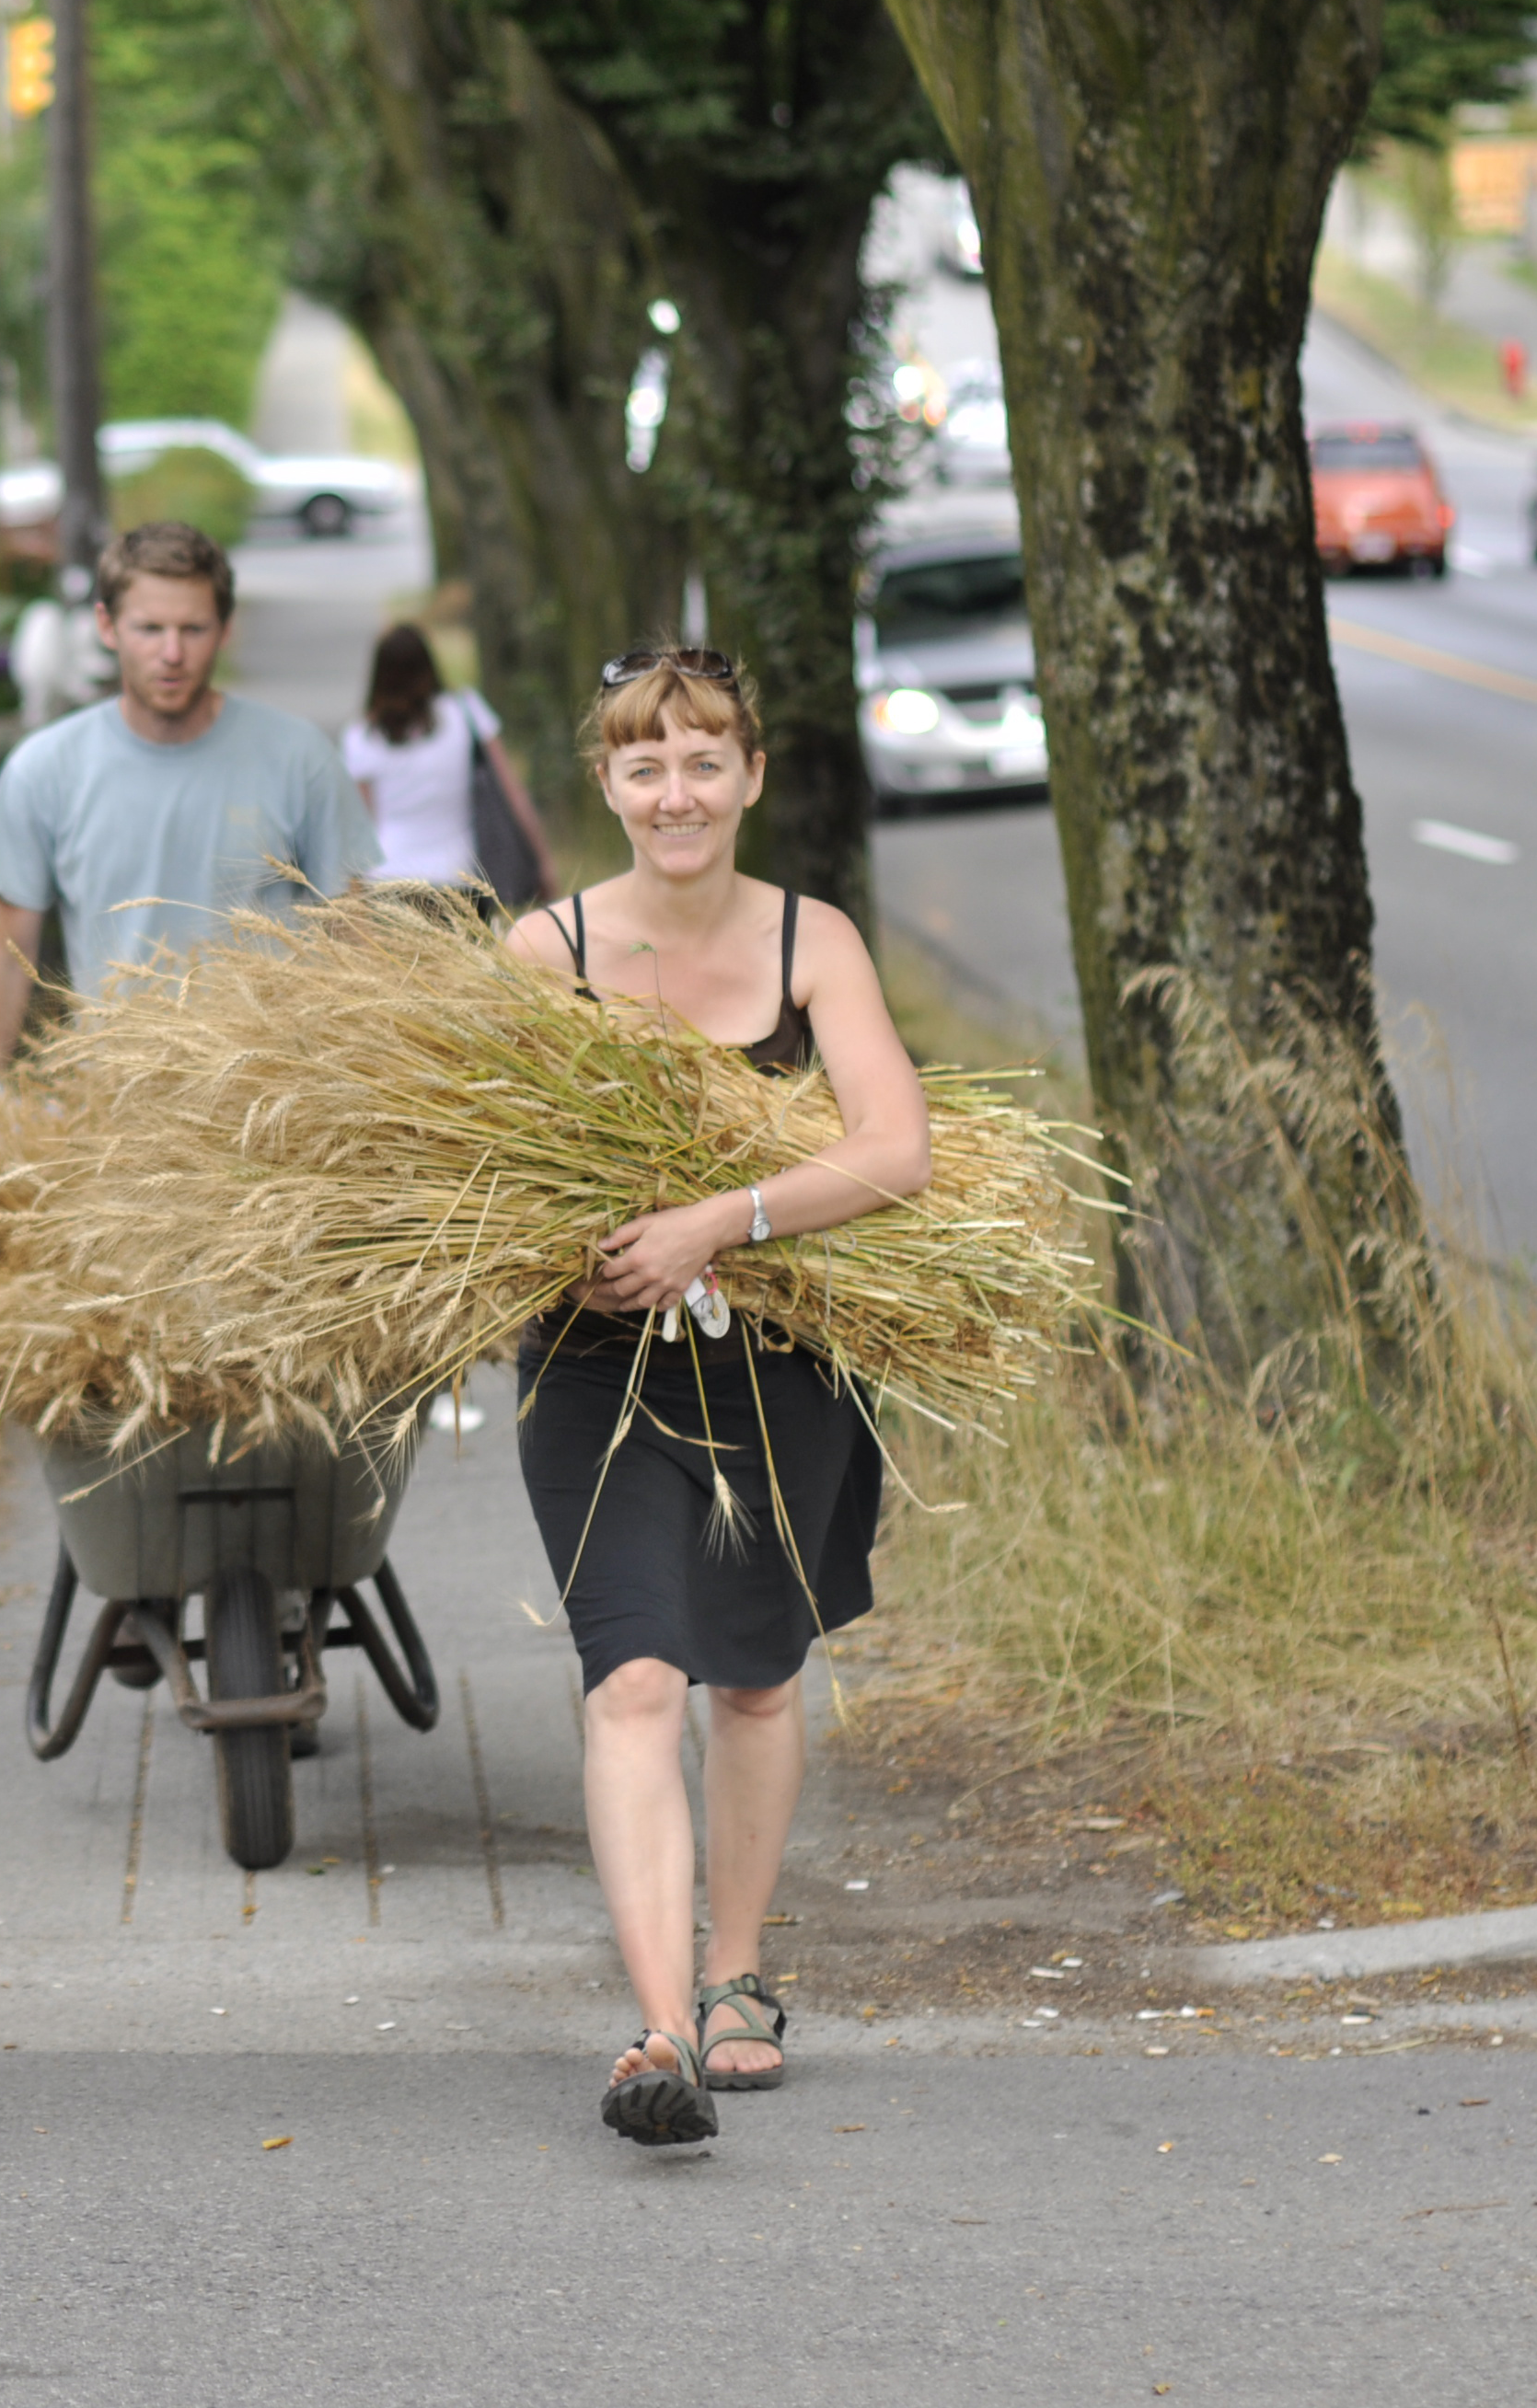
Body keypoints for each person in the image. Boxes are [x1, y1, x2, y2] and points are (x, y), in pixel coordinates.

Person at [501, 646, 932, 2149]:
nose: (672, 791)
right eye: (641, 764)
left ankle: (737, 1969)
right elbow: (474, 1178)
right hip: (595, 1369)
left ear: (749, 776)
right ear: (605, 785)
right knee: (630, 1676)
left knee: (751, 1674)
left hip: (784, 1363)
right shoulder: (539, 951)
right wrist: (584, 1244)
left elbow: (895, 1148)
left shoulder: (810, 940)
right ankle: (658, 2026)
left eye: (701, 762)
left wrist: (722, 1215)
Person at [0, 520, 376, 1073]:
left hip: (273, 1094)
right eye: (150, 628)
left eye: (193, 629)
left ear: (226, 630)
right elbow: (9, 950)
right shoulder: (44, 769)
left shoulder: (300, 757)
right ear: (107, 627)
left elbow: (352, 929)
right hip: (117, 1102)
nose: (172, 652)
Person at [340, 620, 553, 902]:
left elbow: (361, 825)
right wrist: (543, 862)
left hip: (388, 881)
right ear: (429, 665)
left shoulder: (361, 737)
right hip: (460, 877)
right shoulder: (467, 712)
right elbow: (513, 793)